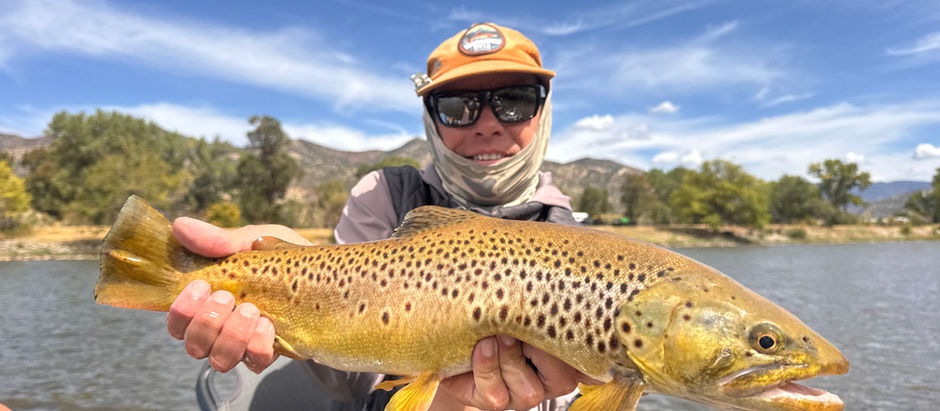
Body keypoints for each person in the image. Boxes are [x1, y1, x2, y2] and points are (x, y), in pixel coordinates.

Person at [166, 22, 597, 410]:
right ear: (431, 118)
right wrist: (288, 271)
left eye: (514, 101)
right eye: (457, 106)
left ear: (543, 111)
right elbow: (350, 384)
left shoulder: (583, 254)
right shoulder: (384, 195)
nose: (487, 123)